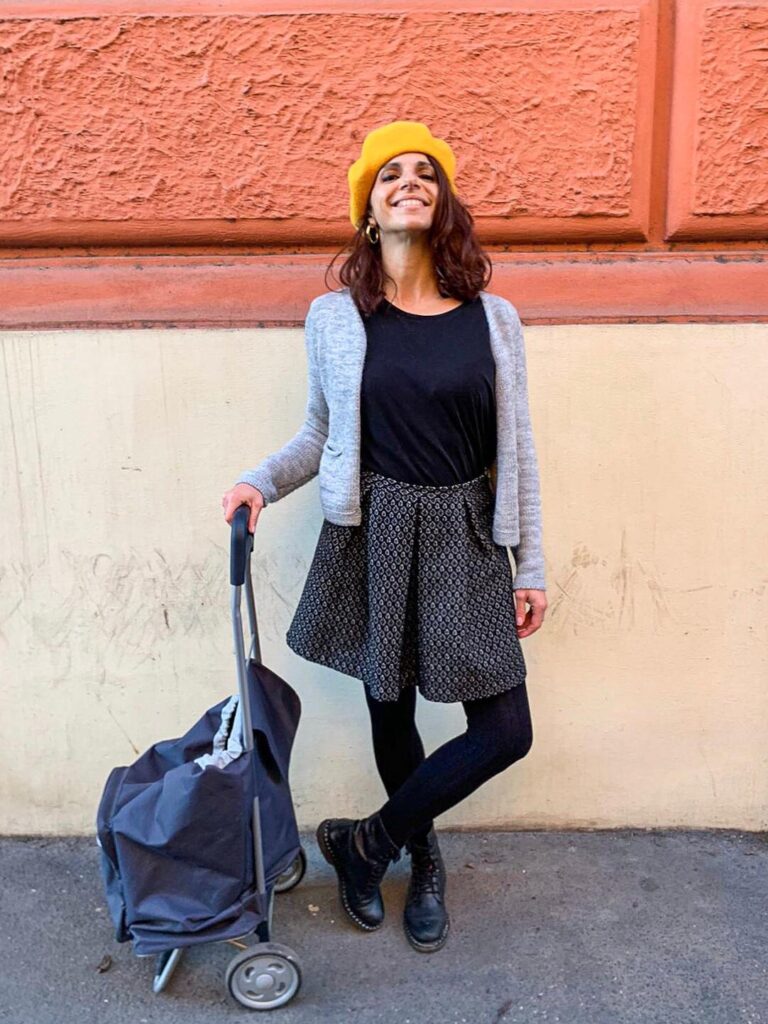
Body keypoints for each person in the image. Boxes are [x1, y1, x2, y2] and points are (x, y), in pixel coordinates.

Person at [222, 120, 547, 953]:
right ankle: (419, 857)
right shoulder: (336, 317)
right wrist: (260, 481)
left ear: (443, 205)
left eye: (427, 173)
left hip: (465, 530)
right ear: (369, 207)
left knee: (505, 730)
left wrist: (529, 563)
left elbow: (519, 450)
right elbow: (317, 432)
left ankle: (367, 841)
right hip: (375, 528)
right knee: (389, 704)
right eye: (391, 173)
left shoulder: (494, 318)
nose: (410, 181)